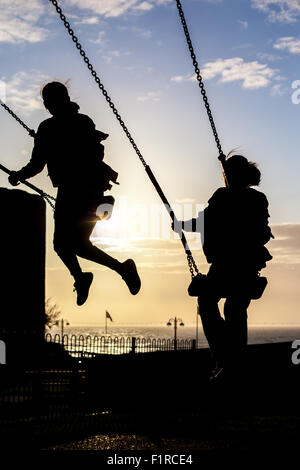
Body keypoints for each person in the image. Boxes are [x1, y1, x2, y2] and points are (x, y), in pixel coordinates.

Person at [9, 81, 141, 305]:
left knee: (62, 245)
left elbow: (37, 164)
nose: (47, 106)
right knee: (79, 245)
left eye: (47, 102)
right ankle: (116, 268)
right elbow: (91, 153)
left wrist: (18, 176)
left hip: (72, 192)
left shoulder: (48, 128)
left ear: (53, 101)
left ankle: (84, 277)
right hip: (92, 188)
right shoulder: (82, 121)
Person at [173, 153, 273, 379]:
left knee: (210, 302)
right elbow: (262, 230)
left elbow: (203, 220)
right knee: (234, 307)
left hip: (228, 264)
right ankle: (230, 361)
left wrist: (181, 225)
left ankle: (224, 358)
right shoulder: (256, 199)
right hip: (245, 265)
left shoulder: (223, 196)